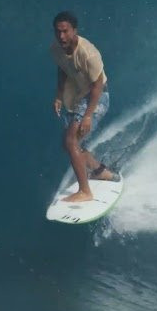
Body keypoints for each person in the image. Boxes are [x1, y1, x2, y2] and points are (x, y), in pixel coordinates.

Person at [50, 10, 117, 202]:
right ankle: (101, 172)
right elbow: (62, 68)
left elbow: (98, 86)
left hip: (97, 97)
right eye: (58, 32)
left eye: (65, 31)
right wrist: (58, 96)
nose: (61, 36)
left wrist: (88, 115)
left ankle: (85, 192)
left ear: (74, 30)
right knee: (71, 144)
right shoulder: (56, 49)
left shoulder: (89, 54)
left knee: (71, 141)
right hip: (78, 96)